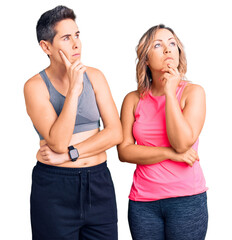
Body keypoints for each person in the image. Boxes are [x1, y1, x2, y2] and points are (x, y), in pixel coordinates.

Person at [24, 5, 122, 240]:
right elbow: (57, 142)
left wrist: (71, 154)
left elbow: (116, 133)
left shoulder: (96, 76)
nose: (76, 44)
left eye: (77, 35)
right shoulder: (34, 86)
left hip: (98, 183)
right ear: (46, 46)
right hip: (55, 189)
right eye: (66, 38)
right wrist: (74, 89)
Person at [117, 24, 208, 240]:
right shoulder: (133, 99)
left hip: (186, 199)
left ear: (179, 53)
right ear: (146, 59)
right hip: (143, 202)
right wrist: (169, 154)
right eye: (158, 45)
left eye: (172, 44)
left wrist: (169, 92)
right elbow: (125, 152)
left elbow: (182, 143)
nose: (167, 49)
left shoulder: (193, 93)